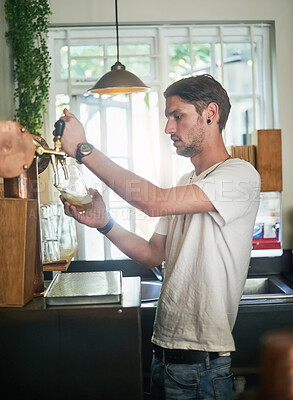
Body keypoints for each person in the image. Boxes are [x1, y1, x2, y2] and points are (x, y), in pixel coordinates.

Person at [58, 74, 260, 400]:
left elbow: (154, 202)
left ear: (211, 113)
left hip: (201, 368)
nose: (168, 129)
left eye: (177, 116)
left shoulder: (239, 174)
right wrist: (104, 223)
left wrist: (84, 150)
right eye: (168, 118)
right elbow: (153, 254)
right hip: (162, 356)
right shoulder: (186, 180)